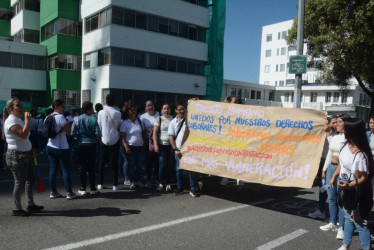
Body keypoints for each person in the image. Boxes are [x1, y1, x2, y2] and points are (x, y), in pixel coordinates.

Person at [331, 118, 374, 250]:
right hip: (346, 189)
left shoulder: (360, 154)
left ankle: (366, 248)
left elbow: (363, 177)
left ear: (351, 132)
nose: (342, 129)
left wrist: (349, 185)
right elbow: (341, 164)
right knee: (348, 218)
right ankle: (345, 245)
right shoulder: (345, 145)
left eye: (346, 128)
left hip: (357, 191)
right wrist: (333, 177)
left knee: (360, 222)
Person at [3, 98, 43, 216]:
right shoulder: (11, 121)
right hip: (16, 156)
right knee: (19, 182)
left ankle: (30, 205)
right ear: (11, 109)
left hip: (24, 154)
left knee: (30, 179)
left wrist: (30, 148)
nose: (21, 107)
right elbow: (24, 135)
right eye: (18, 106)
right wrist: (27, 120)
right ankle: (17, 208)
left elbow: (25, 137)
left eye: (21, 105)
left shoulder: (18, 119)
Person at [319, 114, 350, 239]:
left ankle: (341, 227)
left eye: (339, 122)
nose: (336, 124)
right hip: (331, 168)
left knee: (341, 200)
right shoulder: (336, 137)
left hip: (342, 171)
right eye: (336, 122)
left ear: (346, 123)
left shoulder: (349, 138)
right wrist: (324, 169)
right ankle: (332, 222)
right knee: (331, 197)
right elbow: (330, 153)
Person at [308, 115, 338, 220]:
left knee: (332, 187)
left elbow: (332, 148)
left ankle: (334, 214)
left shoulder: (336, 135)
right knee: (322, 186)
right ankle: (321, 209)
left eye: (337, 122)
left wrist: (327, 133)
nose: (335, 125)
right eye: (333, 123)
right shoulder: (323, 133)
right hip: (322, 161)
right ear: (328, 123)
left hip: (332, 163)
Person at [46, 99, 76, 200]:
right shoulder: (60, 117)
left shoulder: (48, 117)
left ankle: (53, 191)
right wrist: (68, 124)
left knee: (53, 169)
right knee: (65, 170)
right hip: (61, 147)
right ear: (56, 107)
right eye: (62, 107)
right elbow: (69, 130)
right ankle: (69, 192)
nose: (64, 109)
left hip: (50, 145)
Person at [168, 103, 199, 197]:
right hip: (178, 150)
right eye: (179, 109)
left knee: (192, 170)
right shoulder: (172, 122)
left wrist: (196, 102)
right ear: (176, 111)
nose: (181, 111)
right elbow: (171, 137)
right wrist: (175, 149)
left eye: (182, 109)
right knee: (178, 170)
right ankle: (180, 188)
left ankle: (193, 189)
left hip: (189, 150)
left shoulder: (190, 120)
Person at [72, 101, 101, 195]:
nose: (93, 110)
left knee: (82, 167)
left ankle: (82, 187)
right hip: (91, 145)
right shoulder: (93, 119)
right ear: (88, 110)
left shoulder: (77, 119)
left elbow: (73, 132)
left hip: (81, 144)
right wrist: (94, 138)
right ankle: (93, 188)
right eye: (92, 108)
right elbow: (98, 133)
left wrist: (79, 137)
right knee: (92, 167)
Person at [97, 94, 124, 190]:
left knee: (101, 161)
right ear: (114, 102)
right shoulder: (118, 113)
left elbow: (99, 126)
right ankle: (115, 185)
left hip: (103, 139)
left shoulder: (100, 112)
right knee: (114, 163)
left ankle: (100, 183)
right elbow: (119, 125)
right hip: (115, 139)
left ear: (106, 101)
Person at [120, 104, 146, 190]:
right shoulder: (124, 122)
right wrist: (126, 146)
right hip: (130, 147)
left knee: (139, 165)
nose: (133, 111)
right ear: (127, 112)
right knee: (131, 165)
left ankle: (137, 180)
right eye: (131, 110)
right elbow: (122, 137)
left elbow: (143, 133)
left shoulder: (139, 121)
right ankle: (131, 181)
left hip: (140, 146)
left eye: (134, 109)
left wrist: (144, 144)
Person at [153, 104, 174, 192]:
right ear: (161, 110)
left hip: (171, 146)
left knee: (169, 165)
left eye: (168, 108)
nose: (166, 110)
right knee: (162, 165)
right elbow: (154, 133)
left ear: (170, 110)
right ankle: (161, 183)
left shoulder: (173, 119)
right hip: (162, 145)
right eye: (164, 108)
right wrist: (156, 145)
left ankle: (168, 183)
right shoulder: (159, 119)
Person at [140, 100, 160, 189]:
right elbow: (141, 129)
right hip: (148, 142)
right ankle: (148, 180)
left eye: (151, 105)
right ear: (145, 108)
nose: (150, 107)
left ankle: (156, 179)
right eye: (148, 106)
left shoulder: (159, 115)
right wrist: (148, 134)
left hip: (159, 141)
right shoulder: (143, 117)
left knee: (157, 162)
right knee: (149, 162)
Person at [118, 101, 130, 185]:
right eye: (127, 106)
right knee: (125, 159)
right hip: (121, 139)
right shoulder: (120, 115)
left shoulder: (126, 115)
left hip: (123, 138)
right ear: (122, 107)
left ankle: (120, 176)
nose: (128, 107)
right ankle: (125, 177)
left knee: (121, 159)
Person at [94, 103, 103, 174]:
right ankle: (98, 169)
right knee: (99, 154)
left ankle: (95, 169)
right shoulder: (103, 115)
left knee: (95, 154)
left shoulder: (93, 116)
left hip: (94, 137)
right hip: (101, 136)